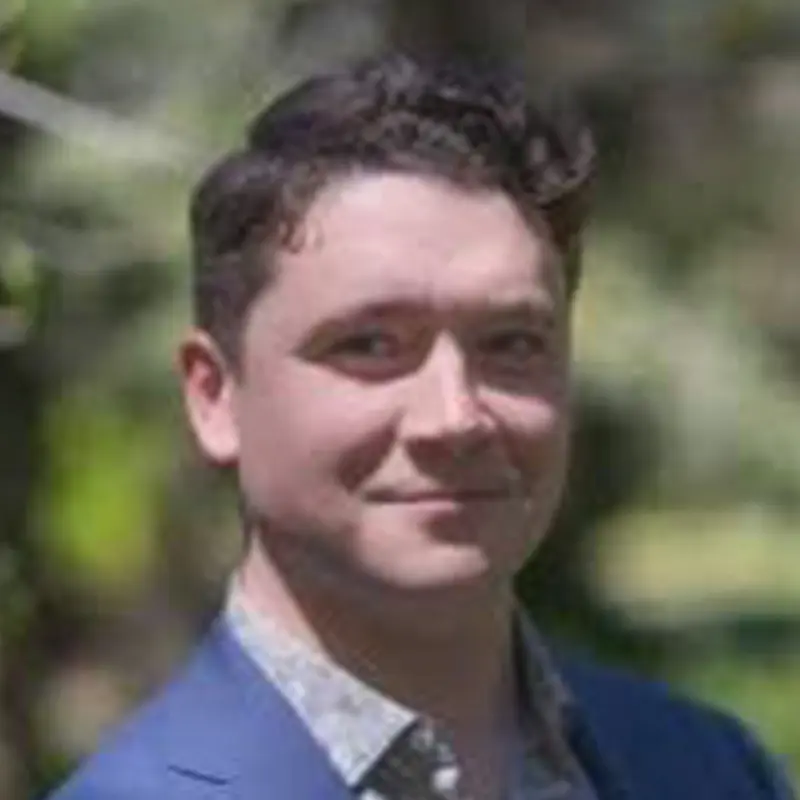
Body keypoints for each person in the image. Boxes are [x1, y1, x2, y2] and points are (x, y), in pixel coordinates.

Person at [48, 53, 795, 800]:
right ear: (215, 397)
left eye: (511, 343)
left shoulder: (712, 769)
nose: (455, 417)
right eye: (370, 345)